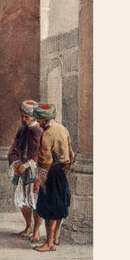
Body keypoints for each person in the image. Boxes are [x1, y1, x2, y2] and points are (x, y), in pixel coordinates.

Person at [32, 103, 75, 251]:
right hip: (61, 174)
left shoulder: (47, 134)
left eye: (39, 120)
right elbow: (71, 154)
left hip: (50, 175)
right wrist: (65, 169)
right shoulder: (63, 129)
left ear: (44, 120)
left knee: (49, 209)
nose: (38, 123)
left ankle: (48, 243)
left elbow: (45, 162)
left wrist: (39, 181)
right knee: (59, 207)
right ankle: (55, 237)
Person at [7, 100, 43, 239]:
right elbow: (14, 148)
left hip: (36, 172)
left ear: (34, 117)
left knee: (35, 202)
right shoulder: (22, 130)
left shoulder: (40, 130)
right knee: (23, 202)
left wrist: (27, 164)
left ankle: (36, 231)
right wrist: (15, 162)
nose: (23, 119)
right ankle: (29, 226)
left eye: (26, 117)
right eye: (22, 116)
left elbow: (42, 153)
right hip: (22, 172)